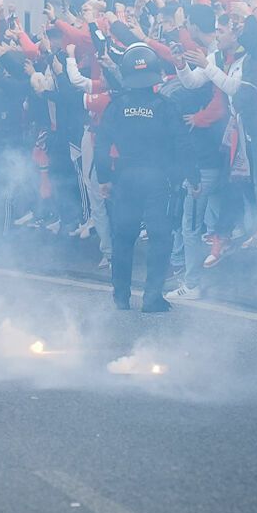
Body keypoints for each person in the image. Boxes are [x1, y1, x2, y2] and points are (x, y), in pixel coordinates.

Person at [92, 41, 179, 312]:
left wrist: (104, 178)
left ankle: (121, 297)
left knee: (123, 237)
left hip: (125, 178)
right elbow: (181, 145)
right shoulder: (164, 106)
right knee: (160, 238)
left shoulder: (117, 106)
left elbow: (101, 144)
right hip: (157, 179)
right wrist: (187, 178)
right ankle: (152, 298)